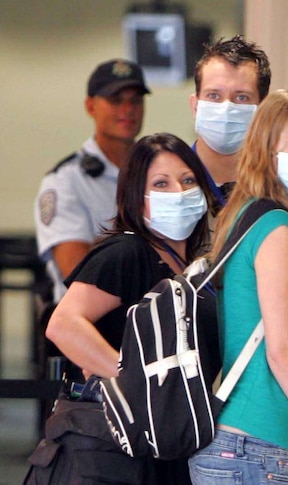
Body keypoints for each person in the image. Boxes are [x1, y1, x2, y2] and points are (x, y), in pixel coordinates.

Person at [43, 133, 216, 484]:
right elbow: (63, 325)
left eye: (187, 181)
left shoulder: (197, 268)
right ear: (137, 199)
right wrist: (133, 384)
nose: (178, 193)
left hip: (160, 448)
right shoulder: (127, 253)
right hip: (106, 452)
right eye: (161, 184)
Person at [188, 90, 288, 484]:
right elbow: (283, 348)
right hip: (255, 445)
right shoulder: (274, 228)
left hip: (239, 442)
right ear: (268, 154)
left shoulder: (247, 214)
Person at [35, 58, 150, 305]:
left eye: (136, 100)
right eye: (116, 100)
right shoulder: (64, 181)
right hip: (88, 323)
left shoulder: (155, 172)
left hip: (147, 318)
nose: (128, 109)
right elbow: (77, 273)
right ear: (90, 106)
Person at [189, 34, 271, 209]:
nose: (226, 108)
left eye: (241, 97)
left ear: (263, 110)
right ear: (195, 106)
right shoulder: (171, 181)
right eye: (214, 95)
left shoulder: (276, 187)